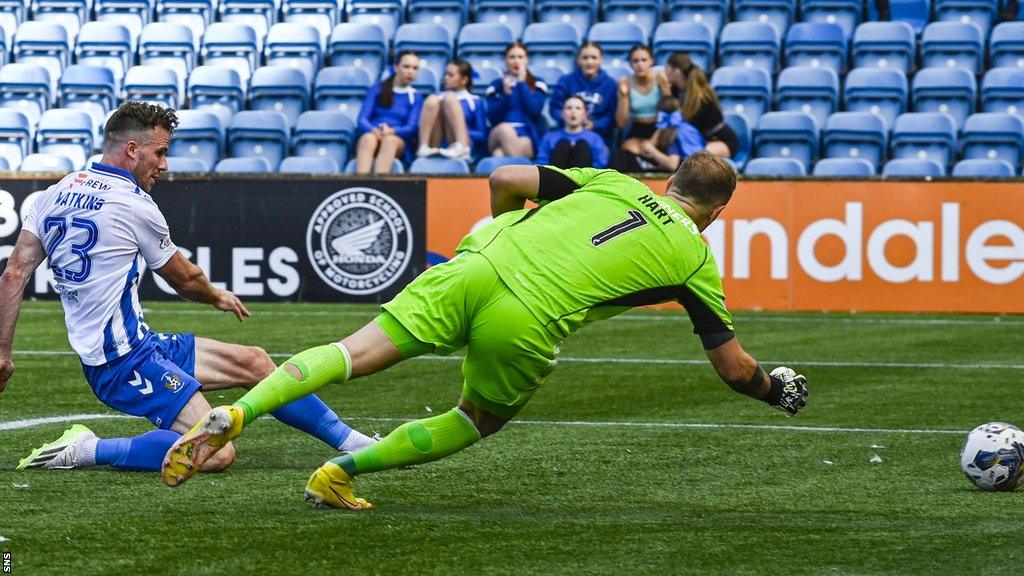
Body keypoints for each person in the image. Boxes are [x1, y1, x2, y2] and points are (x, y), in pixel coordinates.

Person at [161, 152, 809, 509]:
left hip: (476, 265)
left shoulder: (611, 181)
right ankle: (339, 472)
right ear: (718, 213)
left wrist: (498, 226)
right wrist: (771, 388)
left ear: (668, 182)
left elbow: (504, 178)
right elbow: (732, 368)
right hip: (527, 314)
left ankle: (239, 412)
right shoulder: (696, 258)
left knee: (351, 352)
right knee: (477, 418)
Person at [0, 102, 376, 473]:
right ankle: (90, 448)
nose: (164, 165)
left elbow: (14, 273)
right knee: (215, 453)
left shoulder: (56, 192)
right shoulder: (133, 204)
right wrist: (217, 296)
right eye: (160, 153)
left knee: (257, 361)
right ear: (132, 149)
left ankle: (352, 442)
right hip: (118, 363)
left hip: (141, 346)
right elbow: (184, 279)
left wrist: (2, 354)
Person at [355, 51, 424, 174]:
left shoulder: (416, 96)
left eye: (415, 68)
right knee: (368, 138)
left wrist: (392, 131)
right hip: (374, 133)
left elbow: (411, 127)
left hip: (397, 140)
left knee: (390, 141)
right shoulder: (377, 89)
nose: (410, 71)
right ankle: (361, 181)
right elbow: (362, 119)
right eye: (406, 66)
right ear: (396, 67)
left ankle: (380, 186)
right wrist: (374, 130)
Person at [664, 52, 739, 159]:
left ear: (676, 71)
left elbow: (679, 120)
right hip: (697, 140)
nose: (664, 72)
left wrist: (666, 94)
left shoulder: (701, 96)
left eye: (666, 68)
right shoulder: (675, 90)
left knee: (697, 159)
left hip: (718, 140)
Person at [486, 41, 548, 159]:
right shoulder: (496, 85)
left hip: (526, 136)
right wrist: (506, 94)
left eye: (520, 57)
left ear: (527, 60)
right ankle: (524, 176)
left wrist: (521, 83)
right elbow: (493, 118)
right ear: (505, 61)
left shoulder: (537, 83)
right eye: (512, 57)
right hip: (498, 134)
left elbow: (535, 111)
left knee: (499, 154)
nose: (516, 61)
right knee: (505, 129)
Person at [416, 59, 488, 161]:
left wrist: (462, 130)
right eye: (445, 74)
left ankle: (461, 147)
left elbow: (482, 134)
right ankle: (424, 147)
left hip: (465, 144)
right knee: (432, 99)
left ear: (464, 80)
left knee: (449, 98)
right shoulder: (438, 98)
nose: (445, 78)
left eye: (451, 75)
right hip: (438, 143)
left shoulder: (475, 101)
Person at [612, 96, 704, 173]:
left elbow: (672, 165)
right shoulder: (669, 127)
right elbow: (648, 144)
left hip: (693, 171)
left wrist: (651, 149)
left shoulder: (675, 131)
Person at [549, 42, 618, 141]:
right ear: (578, 60)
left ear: (601, 60)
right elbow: (555, 109)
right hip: (567, 133)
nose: (589, 62)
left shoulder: (610, 84)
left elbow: (611, 116)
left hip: (597, 135)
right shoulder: (565, 81)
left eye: (594, 58)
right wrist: (572, 120)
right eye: (585, 58)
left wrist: (594, 124)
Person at [615, 44, 671, 153]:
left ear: (651, 61)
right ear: (630, 64)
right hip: (638, 130)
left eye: (644, 60)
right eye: (635, 61)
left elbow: (671, 112)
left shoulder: (660, 78)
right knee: (628, 149)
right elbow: (621, 123)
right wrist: (624, 96)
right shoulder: (626, 82)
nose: (640, 64)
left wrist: (665, 88)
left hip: (660, 129)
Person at [535, 95, 609, 168]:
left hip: (585, 178)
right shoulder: (549, 137)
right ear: (562, 113)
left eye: (578, 108)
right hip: (556, 177)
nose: (573, 112)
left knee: (582, 146)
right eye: (569, 108)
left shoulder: (595, 138)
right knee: (562, 145)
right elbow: (541, 162)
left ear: (585, 114)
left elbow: (601, 163)